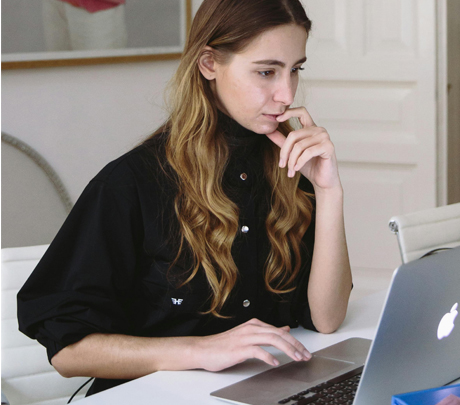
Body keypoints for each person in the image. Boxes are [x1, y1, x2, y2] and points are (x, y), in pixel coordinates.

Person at [18, 0, 352, 396]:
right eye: (266, 71)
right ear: (209, 63)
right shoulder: (132, 183)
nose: (286, 93)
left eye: (295, 69)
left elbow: (326, 319)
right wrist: (200, 350)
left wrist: (329, 192)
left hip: (261, 390)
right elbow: (69, 353)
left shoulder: (288, 168)